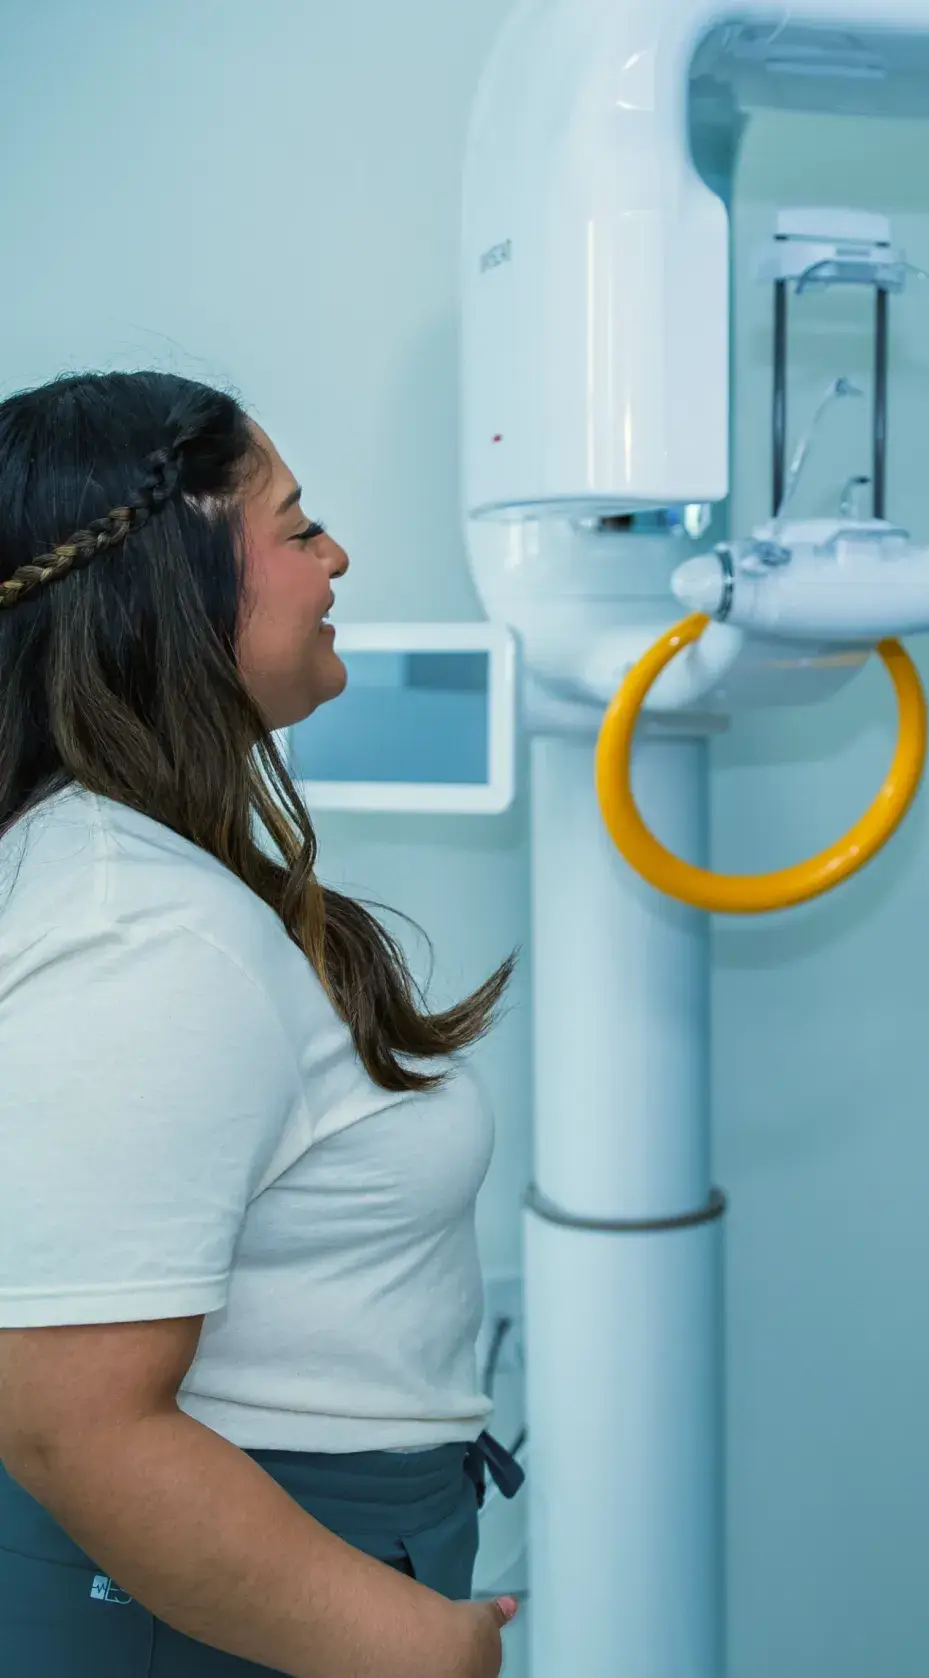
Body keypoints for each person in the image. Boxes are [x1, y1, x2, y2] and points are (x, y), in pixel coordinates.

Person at [0, 370, 524, 1677]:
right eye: (297, 527)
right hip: (223, 1574)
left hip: (249, 1549)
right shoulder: (144, 930)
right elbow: (74, 1419)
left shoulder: (138, 863)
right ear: (174, 590)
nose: (336, 553)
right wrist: (421, 1644)